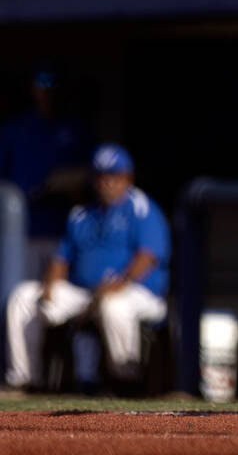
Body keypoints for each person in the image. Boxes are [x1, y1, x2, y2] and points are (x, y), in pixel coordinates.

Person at [4, 144, 170, 391]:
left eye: (113, 176)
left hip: (137, 292)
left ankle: (127, 380)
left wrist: (119, 283)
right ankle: (25, 379)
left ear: (127, 178)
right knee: (23, 297)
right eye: (101, 176)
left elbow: (148, 257)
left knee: (114, 305)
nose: (107, 182)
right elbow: (61, 258)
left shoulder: (141, 207)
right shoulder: (81, 214)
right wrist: (50, 284)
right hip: (86, 292)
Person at [0, 69, 92, 277]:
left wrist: (65, 182)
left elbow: (92, 174)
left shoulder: (74, 128)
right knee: (19, 294)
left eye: (51, 88)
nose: (46, 94)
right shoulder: (15, 128)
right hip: (22, 229)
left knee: (57, 298)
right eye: (41, 87)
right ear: (32, 90)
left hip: (63, 229)